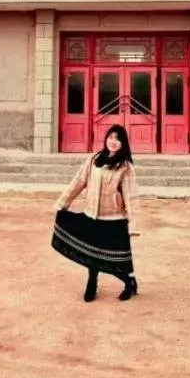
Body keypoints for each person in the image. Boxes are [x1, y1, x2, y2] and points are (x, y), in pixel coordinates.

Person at [51, 124, 142, 302]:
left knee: (118, 259)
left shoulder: (125, 167)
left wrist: (134, 225)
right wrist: (63, 203)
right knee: (91, 254)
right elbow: (78, 182)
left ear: (123, 143)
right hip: (92, 215)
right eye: (110, 137)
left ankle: (129, 282)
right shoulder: (94, 159)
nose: (113, 141)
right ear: (106, 139)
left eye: (118, 139)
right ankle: (92, 283)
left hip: (114, 219)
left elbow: (131, 197)